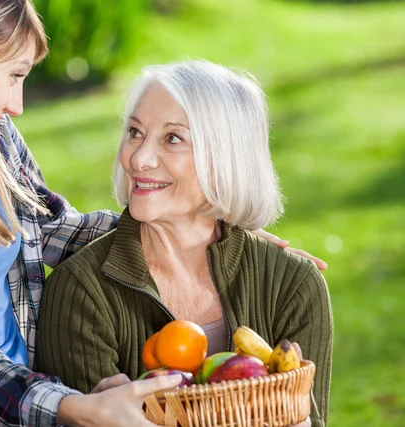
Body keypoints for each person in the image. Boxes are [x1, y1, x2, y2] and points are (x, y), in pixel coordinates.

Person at [0, 1, 326, 425]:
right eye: (12, 75)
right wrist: (78, 408)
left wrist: (202, 229)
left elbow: (55, 230)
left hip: (31, 400)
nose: (18, 104)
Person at [36, 60, 333, 427]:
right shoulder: (80, 291)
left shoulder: (293, 285)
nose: (139, 158)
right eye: (135, 132)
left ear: (226, 158)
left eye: (173, 138)